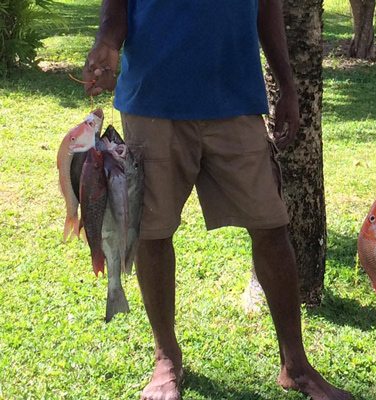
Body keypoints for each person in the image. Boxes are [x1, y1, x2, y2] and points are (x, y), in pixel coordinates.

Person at [83, 1, 352, 399]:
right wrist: (107, 40)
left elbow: (267, 8)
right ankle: (166, 358)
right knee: (152, 234)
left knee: (271, 227)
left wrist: (287, 86)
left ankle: (295, 364)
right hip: (154, 98)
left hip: (236, 100)